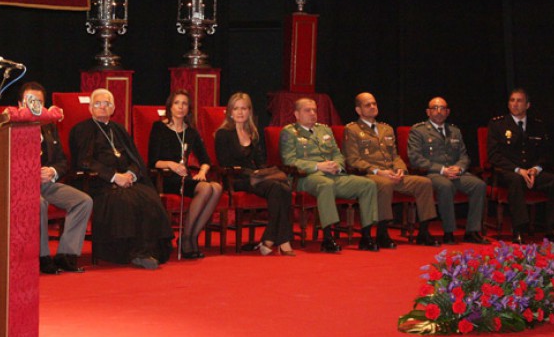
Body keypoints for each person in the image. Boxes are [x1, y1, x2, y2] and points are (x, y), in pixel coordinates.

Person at [69, 88, 173, 269]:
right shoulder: (83, 129)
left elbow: (134, 157)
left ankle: (150, 251)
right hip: (98, 184)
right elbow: (84, 161)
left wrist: (131, 174)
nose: (102, 107)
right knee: (126, 200)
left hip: (126, 180)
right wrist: (114, 177)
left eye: (107, 104)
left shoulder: (118, 129)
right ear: (90, 108)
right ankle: (130, 253)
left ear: (113, 108)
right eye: (98, 104)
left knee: (149, 197)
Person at [280, 98, 384, 252]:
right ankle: (328, 238)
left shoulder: (324, 130)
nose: (312, 114)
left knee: (367, 184)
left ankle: (366, 236)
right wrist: (317, 166)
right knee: (325, 185)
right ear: (296, 114)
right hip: (305, 178)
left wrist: (337, 166)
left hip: (333, 174)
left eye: (314, 110)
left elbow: (337, 153)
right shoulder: (289, 132)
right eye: (307, 110)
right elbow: (290, 161)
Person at [343, 92, 439, 246]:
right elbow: (353, 160)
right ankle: (382, 233)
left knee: (424, 182)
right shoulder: (352, 129)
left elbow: (395, 156)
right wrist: (378, 171)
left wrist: (401, 170)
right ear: (358, 110)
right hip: (369, 175)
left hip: (392, 174)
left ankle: (423, 232)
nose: (373, 107)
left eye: (374, 104)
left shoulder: (385, 129)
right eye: (368, 105)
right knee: (385, 184)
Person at [18, 82, 92, 274]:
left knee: (83, 201)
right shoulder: (11, 128)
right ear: (20, 105)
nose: (35, 106)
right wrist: (32, 172)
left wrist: (52, 171)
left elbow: (62, 161)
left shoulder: (49, 128)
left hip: (47, 184)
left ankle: (66, 254)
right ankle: (42, 257)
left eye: (39, 102)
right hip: (21, 185)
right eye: (30, 101)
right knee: (39, 203)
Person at [215, 92, 295, 255]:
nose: (240, 112)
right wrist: (254, 172)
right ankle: (276, 240)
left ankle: (272, 239)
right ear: (230, 111)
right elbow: (225, 164)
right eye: (236, 108)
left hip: (255, 177)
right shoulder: (223, 134)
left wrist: (263, 171)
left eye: (244, 108)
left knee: (284, 188)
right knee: (275, 187)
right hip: (236, 179)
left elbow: (261, 162)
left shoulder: (253, 133)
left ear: (249, 111)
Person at [148, 89, 223, 259]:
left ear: (189, 108)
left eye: (184, 104)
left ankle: (190, 236)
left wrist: (202, 172)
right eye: (177, 103)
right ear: (170, 106)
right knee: (205, 189)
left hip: (184, 178)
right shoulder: (159, 127)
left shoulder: (191, 132)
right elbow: (153, 161)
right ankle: (188, 238)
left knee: (216, 187)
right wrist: (172, 165)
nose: (180, 107)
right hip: (165, 178)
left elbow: (206, 160)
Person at [407, 97, 488, 245]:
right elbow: (415, 159)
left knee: (479, 185)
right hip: (432, 173)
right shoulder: (419, 131)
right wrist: (442, 170)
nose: (439, 112)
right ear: (428, 112)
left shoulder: (455, 131)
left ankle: (472, 231)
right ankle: (449, 232)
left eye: (442, 108)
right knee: (446, 186)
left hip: (456, 172)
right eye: (435, 108)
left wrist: (460, 167)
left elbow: (464, 156)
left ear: (448, 112)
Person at [487, 88, 554, 244]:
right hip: (508, 172)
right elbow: (494, 156)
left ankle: (552, 228)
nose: (515, 104)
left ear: (527, 105)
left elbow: (546, 153)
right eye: (512, 100)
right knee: (516, 180)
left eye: (519, 101)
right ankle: (519, 228)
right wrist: (519, 170)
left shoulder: (538, 125)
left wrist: (536, 169)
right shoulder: (498, 124)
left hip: (532, 172)